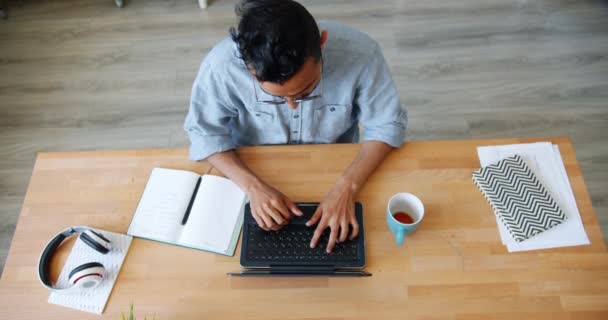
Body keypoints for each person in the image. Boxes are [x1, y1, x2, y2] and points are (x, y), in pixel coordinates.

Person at [184, 0, 407, 253]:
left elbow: (386, 124)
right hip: (251, 167)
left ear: (322, 43)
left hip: (336, 165)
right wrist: (252, 187)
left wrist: (348, 186)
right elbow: (205, 134)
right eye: (278, 97)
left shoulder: (361, 54)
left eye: (305, 90)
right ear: (248, 66)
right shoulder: (220, 66)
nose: (291, 105)